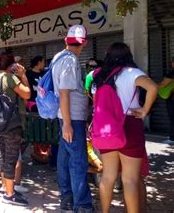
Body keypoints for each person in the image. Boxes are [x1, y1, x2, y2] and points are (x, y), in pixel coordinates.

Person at [94, 42, 158, 213]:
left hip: (107, 128)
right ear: (127, 55)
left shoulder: (99, 76)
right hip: (129, 124)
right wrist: (144, 110)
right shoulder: (132, 72)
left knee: (107, 177)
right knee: (130, 179)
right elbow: (152, 87)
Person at [52, 25, 92, 211]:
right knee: (78, 161)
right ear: (84, 43)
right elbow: (64, 92)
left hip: (66, 116)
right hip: (72, 117)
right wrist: (68, 123)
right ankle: (82, 205)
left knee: (65, 158)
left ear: (65, 40)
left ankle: (67, 198)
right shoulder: (69, 60)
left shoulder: (58, 57)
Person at [0, 53, 31, 205]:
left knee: (3, 156)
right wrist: (23, 75)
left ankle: (4, 186)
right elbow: (27, 94)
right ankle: (10, 194)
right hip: (12, 124)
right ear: (11, 65)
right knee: (11, 158)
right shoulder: (10, 78)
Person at [158, 59, 174, 145]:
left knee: (173, 117)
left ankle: (172, 138)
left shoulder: (172, 74)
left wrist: (154, 86)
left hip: (172, 98)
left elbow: (163, 84)